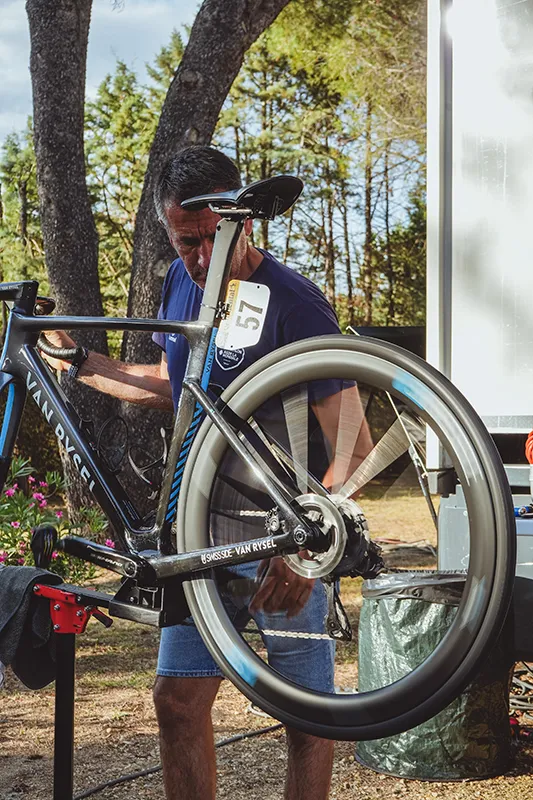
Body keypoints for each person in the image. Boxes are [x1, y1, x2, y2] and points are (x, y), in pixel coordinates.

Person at [42, 145, 355, 800]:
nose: (200, 259)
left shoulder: (294, 303)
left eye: (211, 239)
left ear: (242, 219)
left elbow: (350, 429)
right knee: (176, 702)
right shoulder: (181, 282)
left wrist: (309, 543)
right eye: (184, 242)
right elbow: (174, 384)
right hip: (199, 535)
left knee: (308, 715)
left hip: (279, 539)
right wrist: (80, 363)